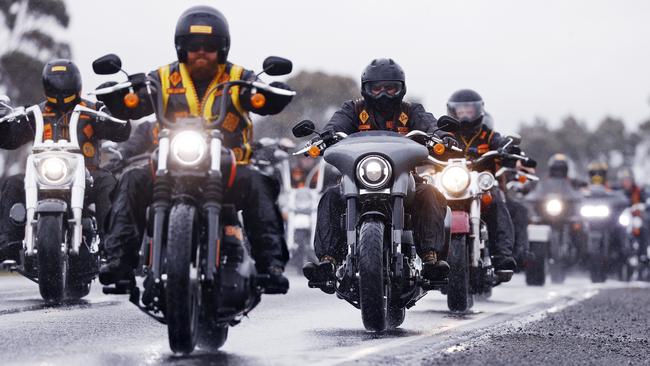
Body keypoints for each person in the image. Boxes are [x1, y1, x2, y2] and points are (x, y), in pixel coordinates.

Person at [97, 5, 294, 292]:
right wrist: (121, 96)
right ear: (181, 48)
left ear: (222, 49)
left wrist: (268, 94)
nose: (201, 52)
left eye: (210, 46)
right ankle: (119, 262)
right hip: (171, 166)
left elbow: (263, 98)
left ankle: (271, 265)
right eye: (193, 46)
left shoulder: (240, 77)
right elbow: (136, 103)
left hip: (228, 169)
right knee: (131, 179)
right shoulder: (162, 78)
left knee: (259, 182)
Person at [303, 58, 451, 287]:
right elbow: (336, 126)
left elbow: (429, 124)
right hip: (359, 178)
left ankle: (431, 258)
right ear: (366, 88)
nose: (383, 94)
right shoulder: (352, 109)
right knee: (331, 196)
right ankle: (327, 261)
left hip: (404, 178)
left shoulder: (411, 111)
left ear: (401, 88)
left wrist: (440, 136)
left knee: (430, 193)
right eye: (376, 88)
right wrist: (323, 137)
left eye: (390, 88)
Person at [0, 59, 131, 261]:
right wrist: (3, 123)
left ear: (76, 82)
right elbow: (10, 139)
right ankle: (9, 243)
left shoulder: (94, 110)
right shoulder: (35, 113)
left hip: (88, 175)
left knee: (108, 183)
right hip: (42, 174)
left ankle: (111, 243)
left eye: (64, 81)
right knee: (13, 183)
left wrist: (116, 110)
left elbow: (120, 131)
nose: (60, 87)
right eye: (55, 82)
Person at [438, 89, 535, 271]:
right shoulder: (445, 134)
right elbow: (431, 146)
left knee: (498, 201)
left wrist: (510, 152)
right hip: (450, 186)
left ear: (478, 111)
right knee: (428, 201)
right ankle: (430, 256)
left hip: (482, 188)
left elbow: (501, 145)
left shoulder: (488, 135)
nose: (465, 115)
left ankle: (502, 254)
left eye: (469, 111)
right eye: (461, 111)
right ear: (452, 112)